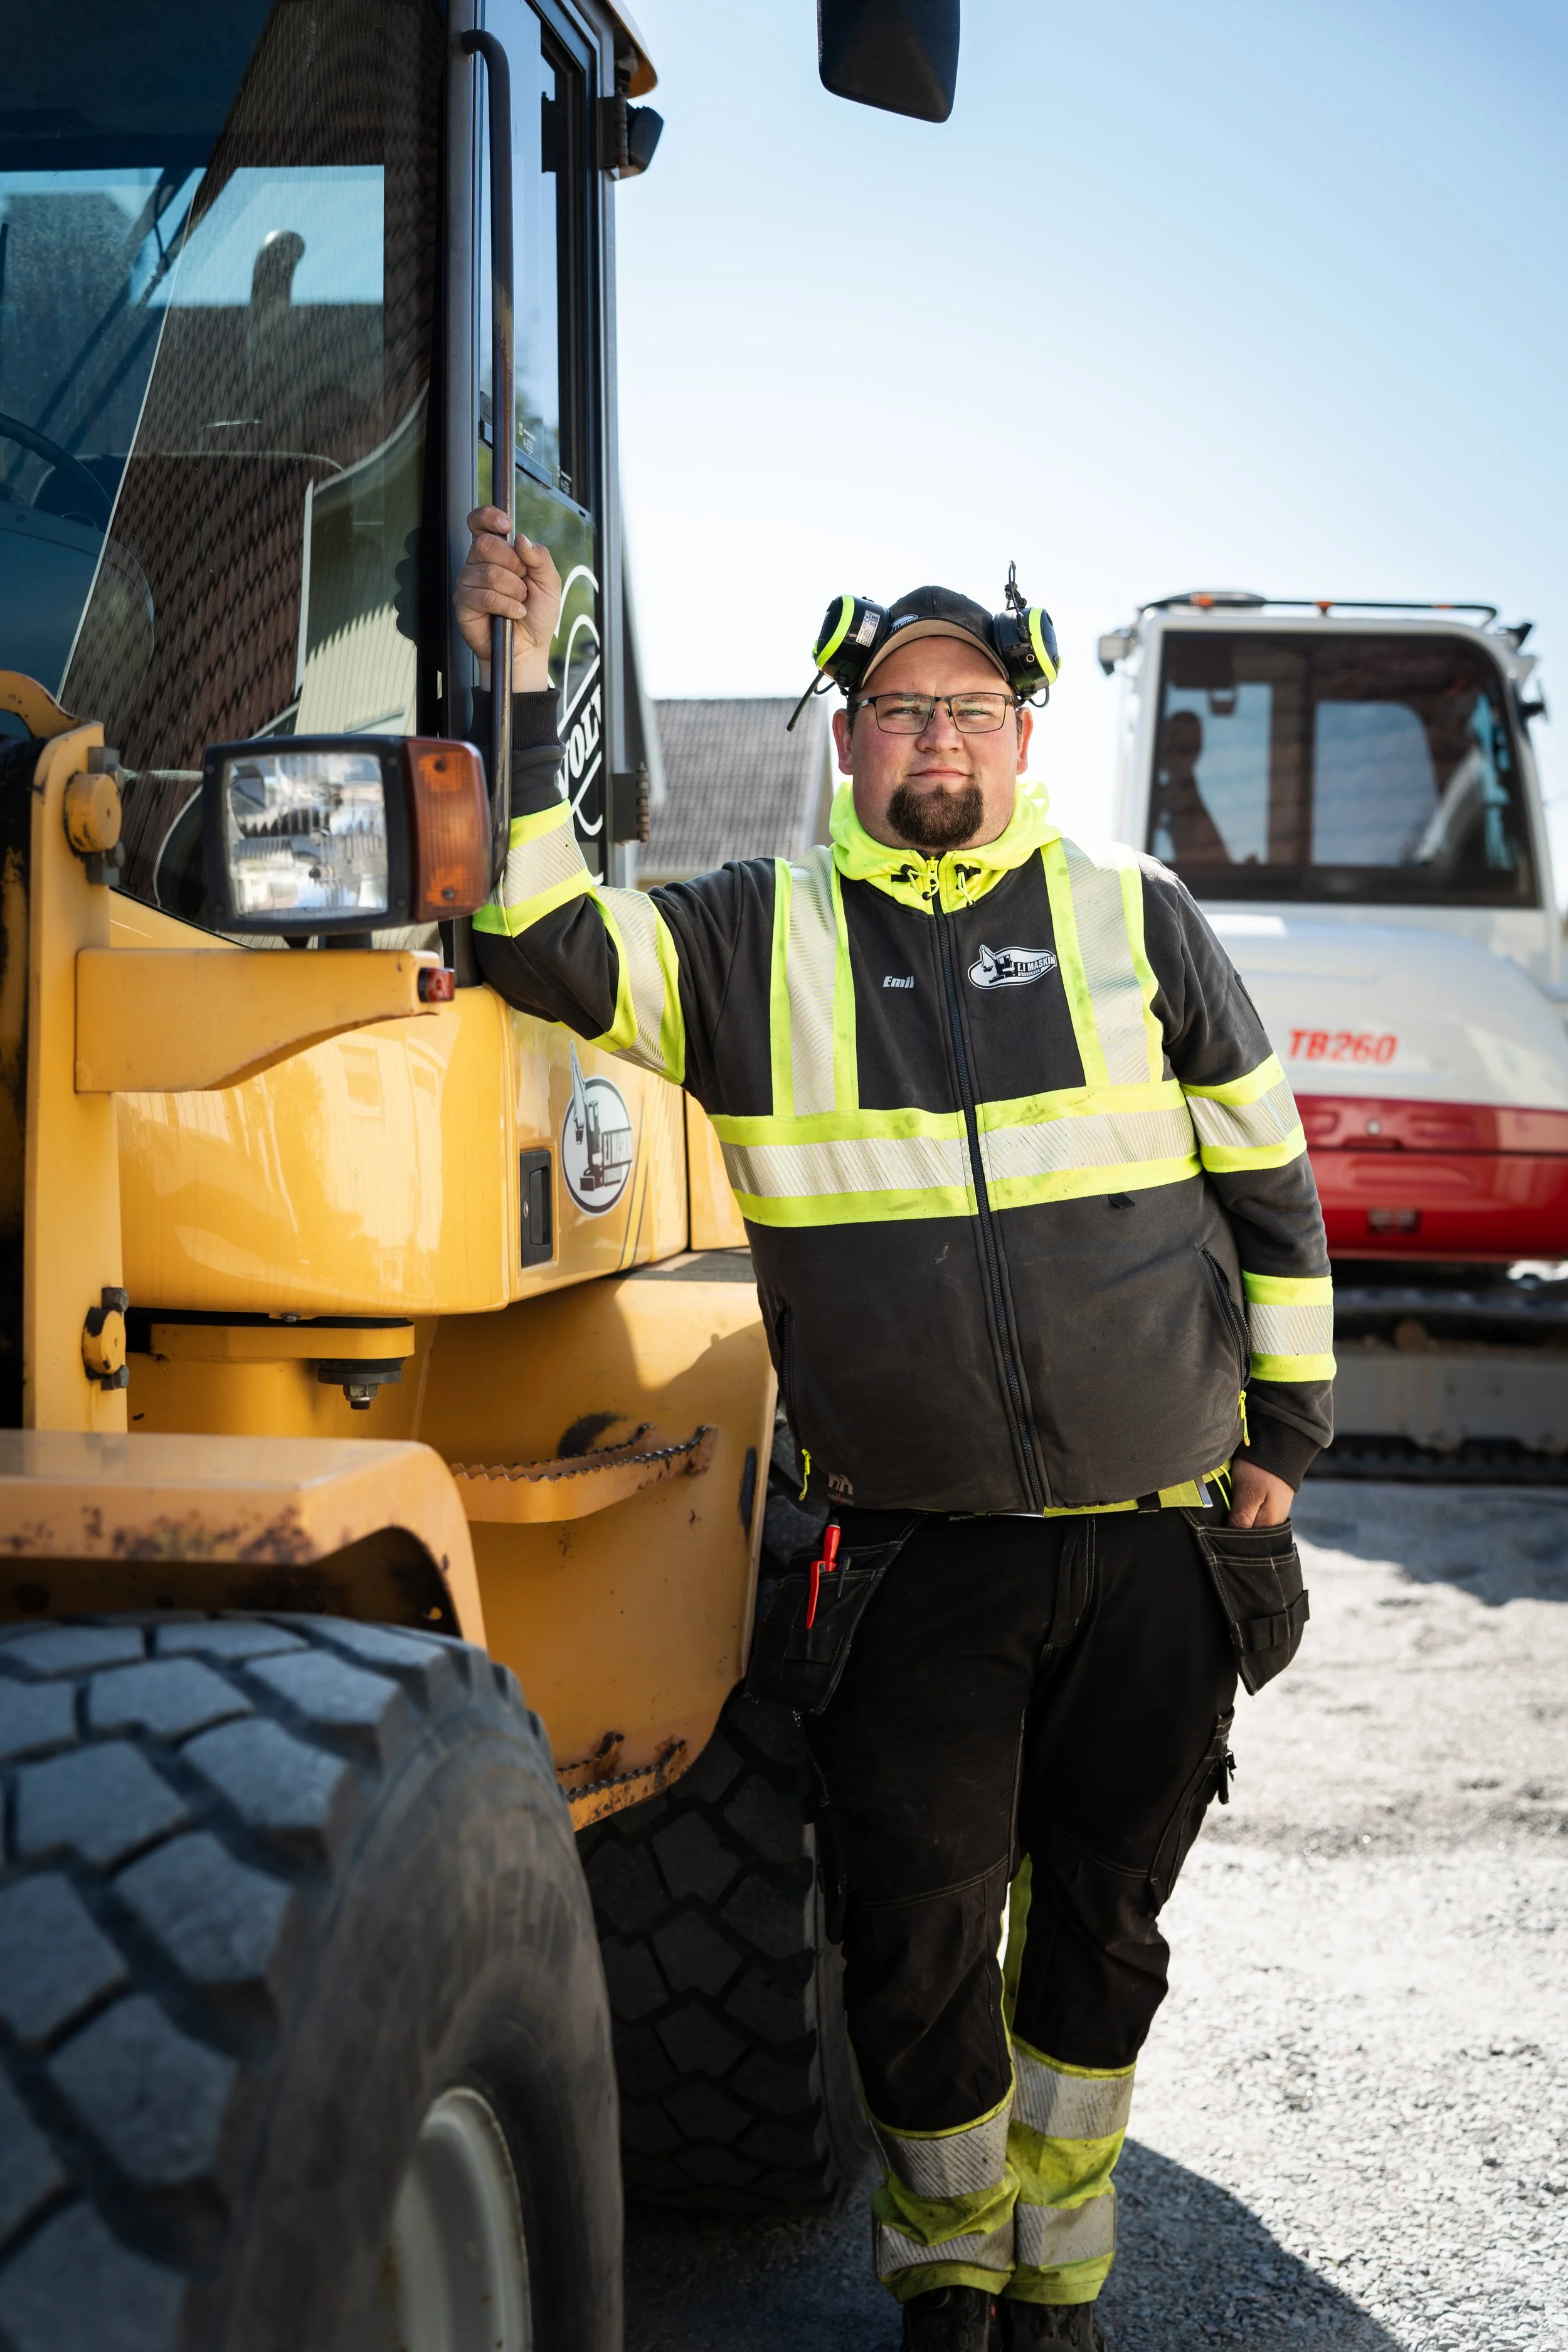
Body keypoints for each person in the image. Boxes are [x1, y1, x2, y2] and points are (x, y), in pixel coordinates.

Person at [453, 510, 1334, 2352]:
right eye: (896, 707)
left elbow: (1269, 1185)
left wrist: (1283, 1440)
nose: (936, 738)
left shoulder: (1133, 920)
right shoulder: (748, 937)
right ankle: (950, 2273)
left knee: (1103, 1920)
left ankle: (1059, 2280)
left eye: (971, 707)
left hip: (1159, 1530)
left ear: (1023, 737)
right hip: (914, 1546)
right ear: (846, 742)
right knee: (915, 1940)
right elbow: (534, 937)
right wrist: (525, 680)